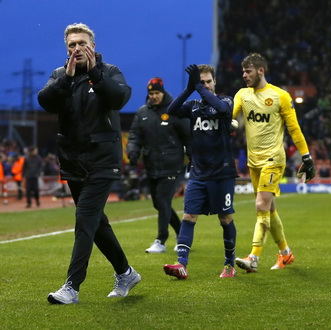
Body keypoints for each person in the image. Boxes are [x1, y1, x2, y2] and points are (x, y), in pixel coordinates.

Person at [38, 23, 140, 304]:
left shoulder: (109, 72)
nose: (76, 49)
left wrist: (95, 73)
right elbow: (45, 101)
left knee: (85, 219)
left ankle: (72, 287)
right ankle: (125, 272)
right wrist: (66, 80)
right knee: (97, 224)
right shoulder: (60, 75)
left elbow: (119, 98)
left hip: (103, 160)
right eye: (71, 45)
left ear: (92, 46)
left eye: (81, 43)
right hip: (72, 160)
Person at [232, 53, 316, 272]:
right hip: (254, 162)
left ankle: (253, 257)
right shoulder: (242, 95)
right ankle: (286, 254)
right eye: (243, 71)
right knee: (269, 210)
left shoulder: (280, 96)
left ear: (261, 71)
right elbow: (229, 120)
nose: (244, 75)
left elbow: (294, 128)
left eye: (248, 71)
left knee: (261, 205)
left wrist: (306, 156)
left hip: (273, 159)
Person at [163, 64, 238, 279]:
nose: (204, 85)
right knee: (189, 216)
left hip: (222, 173)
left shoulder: (225, 101)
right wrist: (189, 89)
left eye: (207, 81)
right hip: (198, 172)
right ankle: (181, 264)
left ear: (215, 82)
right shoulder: (193, 106)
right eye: (201, 82)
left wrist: (200, 88)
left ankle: (229, 263)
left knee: (225, 218)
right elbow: (171, 110)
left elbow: (223, 111)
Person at [126, 77, 190, 253]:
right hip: (151, 164)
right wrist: (132, 151)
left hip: (172, 164)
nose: (154, 96)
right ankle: (182, 234)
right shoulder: (142, 113)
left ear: (163, 93)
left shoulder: (174, 111)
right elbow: (134, 136)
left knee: (163, 201)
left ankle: (160, 240)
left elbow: (187, 135)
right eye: (151, 93)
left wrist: (191, 155)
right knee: (160, 204)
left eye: (157, 93)